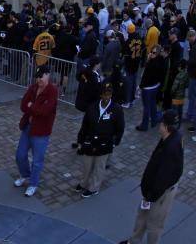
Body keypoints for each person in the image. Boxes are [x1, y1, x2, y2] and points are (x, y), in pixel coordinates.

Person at [118, 109, 184, 244]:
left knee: (154, 225)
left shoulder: (170, 148)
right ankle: (134, 241)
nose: (159, 126)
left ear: (166, 127)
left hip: (160, 194)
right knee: (142, 216)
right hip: (152, 192)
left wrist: (150, 196)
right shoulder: (172, 137)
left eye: (161, 123)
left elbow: (163, 178)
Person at [14, 65, 58, 197]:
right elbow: (23, 105)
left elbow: (44, 112)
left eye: (41, 76)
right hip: (28, 127)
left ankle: (33, 184)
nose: (39, 79)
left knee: (37, 160)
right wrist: (34, 108)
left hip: (41, 131)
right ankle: (25, 175)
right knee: (20, 155)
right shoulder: (33, 88)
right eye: (37, 77)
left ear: (48, 75)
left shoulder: (52, 91)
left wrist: (31, 106)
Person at [76, 82, 124, 197]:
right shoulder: (92, 107)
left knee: (99, 167)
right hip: (90, 141)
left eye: (109, 94)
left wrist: (115, 142)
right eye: (104, 94)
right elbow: (85, 125)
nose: (106, 97)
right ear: (100, 95)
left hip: (105, 143)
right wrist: (80, 140)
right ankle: (83, 183)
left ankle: (93, 188)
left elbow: (120, 127)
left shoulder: (117, 109)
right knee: (87, 165)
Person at [136, 45, 166, 132]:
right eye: (151, 52)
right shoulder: (161, 61)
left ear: (158, 53)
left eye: (154, 52)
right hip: (156, 86)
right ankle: (154, 120)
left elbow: (145, 76)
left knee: (146, 106)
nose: (151, 54)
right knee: (152, 104)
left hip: (148, 88)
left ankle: (144, 126)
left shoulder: (151, 64)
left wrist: (141, 86)